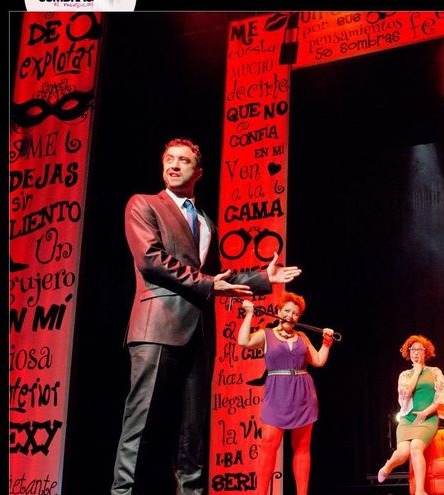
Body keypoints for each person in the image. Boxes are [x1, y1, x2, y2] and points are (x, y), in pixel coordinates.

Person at [111, 138, 301, 495]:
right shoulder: (144, 204)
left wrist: (263, 278)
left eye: (183, 161)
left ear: (198, 172)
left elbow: (215, 276)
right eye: (169, 159)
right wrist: (211, 284)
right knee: (142, 423)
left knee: (193, 433)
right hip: (157, 327)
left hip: (198, 333)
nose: (174, 165)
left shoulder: (205, 222)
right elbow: (151, 260)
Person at [237, 293, 334, 495]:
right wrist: (249, 315)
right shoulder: (266, 334)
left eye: (295, 313)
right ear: (279, 311)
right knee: (268, 446)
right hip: (277, 395)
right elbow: (243, 341)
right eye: (287, 311)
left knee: (302, 448)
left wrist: (326, 343)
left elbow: (318, 361)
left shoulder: (302, 337)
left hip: (303, 395)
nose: (291, 316)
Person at [376, 335, 444, 495]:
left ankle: (420, 491)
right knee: (403, 452)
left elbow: (442, 397)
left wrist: (424, 413)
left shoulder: (435, 372)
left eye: (419, 350)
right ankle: (388, 466)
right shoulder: (405, 375)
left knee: (416, 447)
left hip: (428, 418)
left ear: (426, 352)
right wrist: (416, 372)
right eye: (412, 350)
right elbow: (405, 394)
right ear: (408, 353)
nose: (416, 353)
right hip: (408, 419)